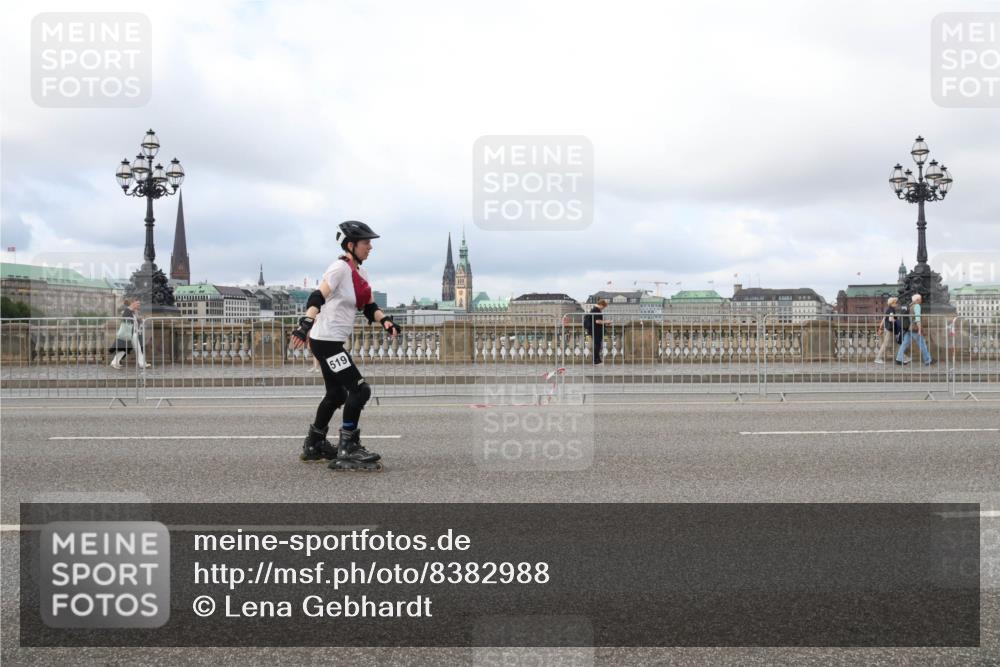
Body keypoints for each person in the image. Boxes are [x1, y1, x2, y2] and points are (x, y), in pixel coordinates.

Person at [290, 221, 401, 472]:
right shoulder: (339, 268)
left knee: (337, 394)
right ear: (351, 245)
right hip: (325, 341)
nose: (370, 247)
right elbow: (318, 295)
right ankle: (347, 447)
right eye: (366, 242)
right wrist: (306, 323)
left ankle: (314, 444)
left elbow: (369, 307)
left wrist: (385, 321)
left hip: (331, 341)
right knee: (360, 391)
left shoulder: (361, 274)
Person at [108, 298, 150, 369]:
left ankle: (142, 363)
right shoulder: (127, 311)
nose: (139, 305)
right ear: (133, 303)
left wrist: (137, 316)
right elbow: (127, 323)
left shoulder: (132, 311)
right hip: (129, 333)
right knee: (128, 349)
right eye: (137, 303)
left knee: (136, 349)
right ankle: (114, 362)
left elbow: (136, 322)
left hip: (133, 333)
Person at [896, 293, 932, 366]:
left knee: (905, 343)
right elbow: (917, 318)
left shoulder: (910, 305)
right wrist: (919, 329)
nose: (921, 300)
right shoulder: (917, 306)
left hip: (908, 328)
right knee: (922, 344)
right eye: (921, 299)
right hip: (914, 328)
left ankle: (899, 359)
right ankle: (928, 360)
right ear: (917, 300)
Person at [873, 296, 899, 364]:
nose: (897, 304)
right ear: (892, 303)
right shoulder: (891, 310)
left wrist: (880, 327)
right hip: (890, 329)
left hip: (888, 328)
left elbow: (884, 319)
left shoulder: (888, 309)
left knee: (895, 343)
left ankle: (899, 357)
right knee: (886, 344)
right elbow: (890, 319)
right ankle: (878, 358)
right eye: (895, 303)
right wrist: (897, 321)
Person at [585, 299, 609, 365]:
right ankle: (595, 360)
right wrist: (606, 322)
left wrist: (604, 323)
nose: (603, 308)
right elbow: (597, 321)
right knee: (597, 345)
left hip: (595, 330)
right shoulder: (596, 310)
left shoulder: (594, 309)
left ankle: (597, 360)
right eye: (604, 307)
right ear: (601, 305)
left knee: (597, 345)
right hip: (596, 330)